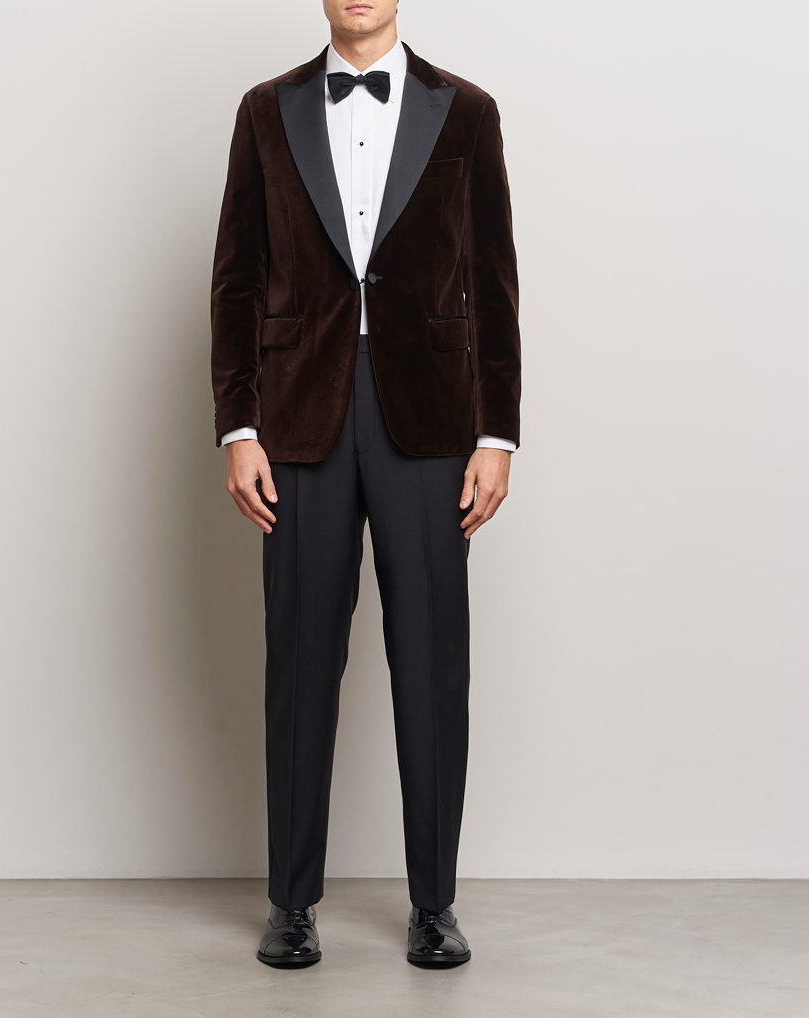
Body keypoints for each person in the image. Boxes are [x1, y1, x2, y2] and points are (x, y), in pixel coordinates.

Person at [211, 0, 520, 968]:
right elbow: (236, 279)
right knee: (299, 663)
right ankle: (291, 903)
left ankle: (434, 905)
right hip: (299, 419)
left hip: (428, 422)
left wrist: (497, 434)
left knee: (432, 664)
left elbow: (495, 280)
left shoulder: (467, 112)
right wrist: (238, 426)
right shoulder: (265, 111)